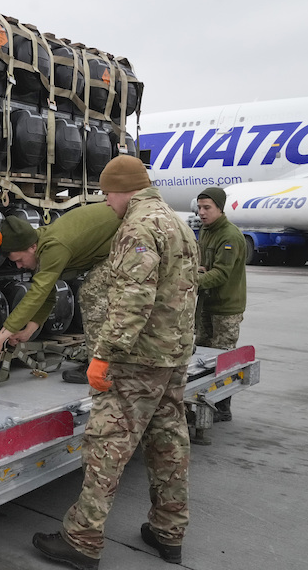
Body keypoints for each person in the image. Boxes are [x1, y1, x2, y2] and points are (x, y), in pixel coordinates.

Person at [31, 155, 200, 569]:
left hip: (137, 359)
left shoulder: (138, 226)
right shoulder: (178, 222)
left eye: (107, 194)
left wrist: (103, 354)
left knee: (107, 446)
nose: (107, 203)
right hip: (172, 354)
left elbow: (132, 300)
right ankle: (168, 531)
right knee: (169, 442)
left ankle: (82, 539)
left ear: (124, 189)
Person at [0, 204, 121, 382]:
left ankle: (101, 369)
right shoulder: (41, 246)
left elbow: (37, 294)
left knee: (91, 293)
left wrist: (0, 338)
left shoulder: (54, 247)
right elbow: (47, 295)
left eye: (19, 260)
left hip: (131, 236)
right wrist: (27, 332)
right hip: (115, 242)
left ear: (32, 247)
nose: (19, 266)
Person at [195, 186, 246, 423]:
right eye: (200, 208)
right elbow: (206, 265)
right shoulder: (206, 231)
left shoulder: (230, 235)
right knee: (202, 356)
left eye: (207, 208)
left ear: (220, 208)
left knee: (223, 360)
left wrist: (192, 280)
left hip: (226, 308)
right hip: (207, 303)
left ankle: (223, 407)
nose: (202, 213)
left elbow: (221, 273)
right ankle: (204, 401)